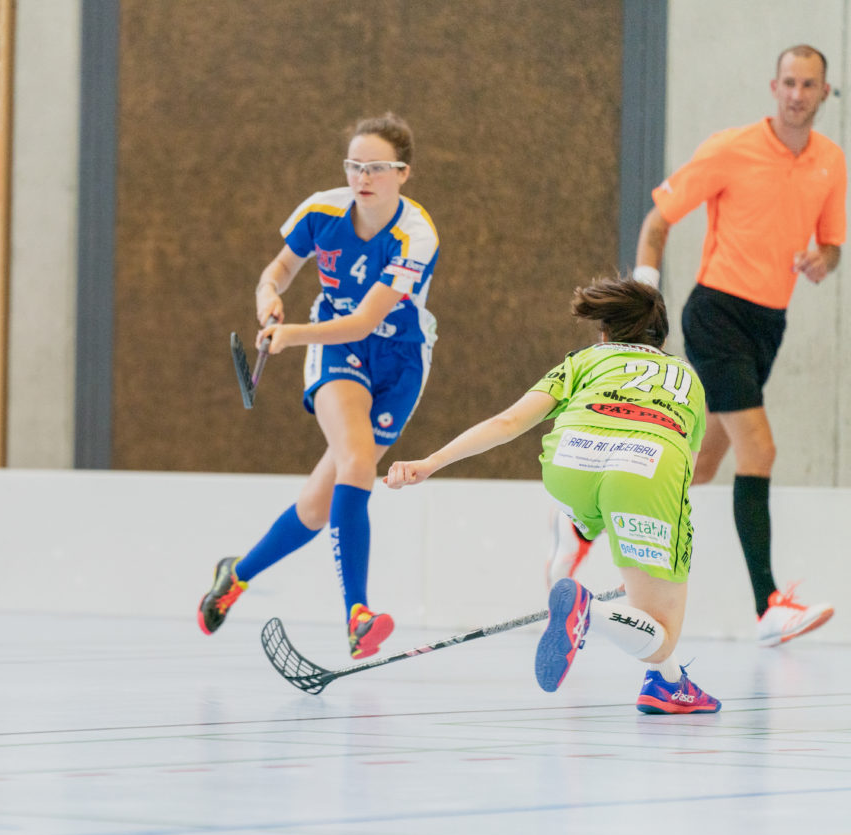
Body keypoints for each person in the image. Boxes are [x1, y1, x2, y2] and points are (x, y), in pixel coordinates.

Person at [386, 277, 720, 714]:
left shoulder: (586, 359)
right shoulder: (688, 379)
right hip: (646, 469)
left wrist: (430, 462)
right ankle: (590, 611)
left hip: (570, 466)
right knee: (659, 634)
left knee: (627, 560)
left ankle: (668, 686)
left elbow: (508, 422)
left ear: (606, 333)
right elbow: (685, 471)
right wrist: (651, 556)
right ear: (661, 336)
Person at [197, 113, 439, 659]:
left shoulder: (416, 236)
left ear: (404, 173)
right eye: (355, 165)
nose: (363, 177)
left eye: (377, 167)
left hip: (399, 361)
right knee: (357, 466)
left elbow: (366, 317)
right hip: (337, 352)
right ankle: (358, 614)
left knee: (316, 504)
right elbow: (277, 271)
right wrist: (268, 299)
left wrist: (289, 335)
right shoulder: (321, 210)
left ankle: (237, 574)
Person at [629, 44, 841, 647]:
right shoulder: (731, 148)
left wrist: (822, 260)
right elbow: (657, 222)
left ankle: (588, 529)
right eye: (789, 83)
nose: (798, 94)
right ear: (773, 87)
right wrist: (645, 303)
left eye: (810, 85)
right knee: (761, 451)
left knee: (704, 464)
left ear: (825, 93)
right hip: (717, 312)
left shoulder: (831, 161)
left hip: (769, 325)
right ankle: (767, 605)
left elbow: (831, 245)